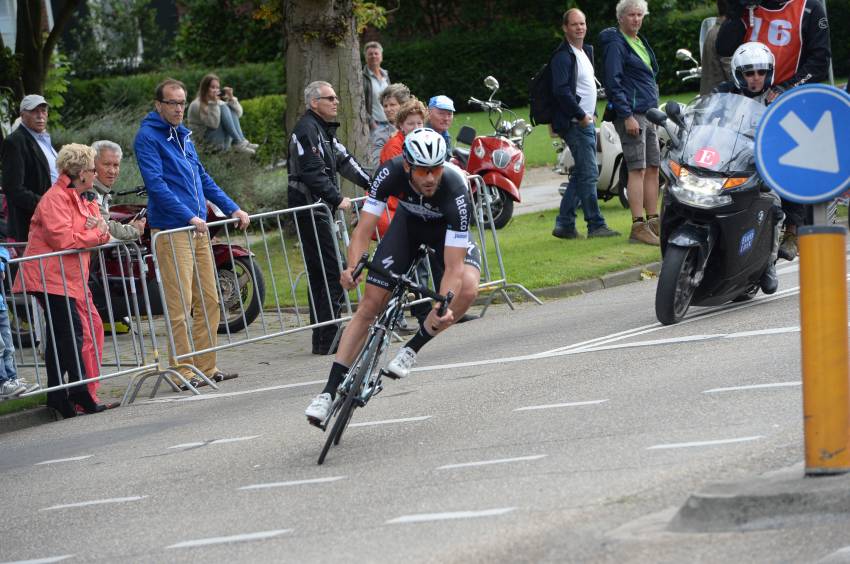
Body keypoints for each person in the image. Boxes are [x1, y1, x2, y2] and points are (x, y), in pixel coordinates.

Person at [305, 128, 481, 426]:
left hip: (444, 234)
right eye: (422, 170)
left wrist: (443, 305)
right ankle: (328, 392)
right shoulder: (389, 173)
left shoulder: (455, 191)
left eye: (435, 169)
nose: (429, 178)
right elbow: (363, 231)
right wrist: (351, 268)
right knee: (369, 306)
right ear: (408, 165)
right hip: (408, 228)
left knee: (467, 290)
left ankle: (412, 348)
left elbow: (452, 267)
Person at [134, 78, 250, 389]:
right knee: (180, 305)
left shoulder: (183, 135)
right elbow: (156, 185)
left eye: (182, 103)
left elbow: (203, 178)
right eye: (172, 103)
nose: (178, 109)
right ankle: (183, 372)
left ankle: (206, 367)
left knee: (210, 299)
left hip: (197, 229)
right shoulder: (148, 137)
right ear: (159, 105)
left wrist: (233, 208)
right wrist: (187, 215)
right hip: (173, 230)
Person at [716, 0, 831, 260]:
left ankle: (792, 228)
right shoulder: (748, 8)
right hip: (746, 92)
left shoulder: (809, 8)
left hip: (788, 98)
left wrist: (786, 89)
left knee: (789, 157)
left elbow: (820, 60)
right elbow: (722, 47)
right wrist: (735, 12)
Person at [13, 143, 111, 418]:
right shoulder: (55, 199)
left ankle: (57, 395)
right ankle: (78, 392)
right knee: (71, 333)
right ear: (80, 172)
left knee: (60, 335)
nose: (96, 174)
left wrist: (96, 230)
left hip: (66, 276)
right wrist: (94, 233)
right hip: (49, 276)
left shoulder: (82, 197)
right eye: (93, 169)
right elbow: (65, 239)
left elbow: (101, 226)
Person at [288, 81, 371, 355]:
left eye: (336, 97)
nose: (336, 102)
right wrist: (337, 198)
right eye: (330, 98)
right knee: (331, 269)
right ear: (314, 102)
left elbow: (345, 160)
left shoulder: (323, 131)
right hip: (311, 210)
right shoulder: (306, 130)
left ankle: (324, 335)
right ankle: (328, 335)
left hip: (320, 210)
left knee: (322, 271)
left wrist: (371, 184)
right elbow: (312, 173)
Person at [715, 41, 784, 292]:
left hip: (759, 169)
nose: (755, 78)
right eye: (749, 73)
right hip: (723, 164)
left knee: (773, 205)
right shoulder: (723, 93)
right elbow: (702, 121)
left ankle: (768, 262)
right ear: (738, 73)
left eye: (761, 72)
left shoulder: (778, 98)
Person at [551, 8, 620, 240]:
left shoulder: (584, 52)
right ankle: (595, 224)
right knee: (589, 173)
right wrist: (581, 115)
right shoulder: (563, 56)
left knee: (583, 173)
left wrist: (590, 113)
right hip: (575, 123)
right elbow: (560, 91)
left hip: (585, 121)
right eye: (574, 24)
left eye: (582, 23)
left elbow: (584, 87)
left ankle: (565, 223)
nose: (579, 27)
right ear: (565, 28)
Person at [599, 0, 661, 246]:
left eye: (639, 15)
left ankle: (653, 220)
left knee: (653, 167)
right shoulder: (616, 43)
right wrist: (627, 115)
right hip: (633, 114)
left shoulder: (638, 40)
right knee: (637, 169)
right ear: (621, 18)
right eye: (631, 15)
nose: (636, 19)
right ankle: (638, 225)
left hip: (649, 113)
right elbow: (613, 83)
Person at [0, 95, 56, 242]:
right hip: (30, 226)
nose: (40, 116)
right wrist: (46, 205)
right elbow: (13, 188)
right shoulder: (15, 141)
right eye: (34, 111)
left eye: (43, 111)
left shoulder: (44, 139)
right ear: (22, 115)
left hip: (53, 220)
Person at [375, 97, 428, 238]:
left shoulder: (425, 141)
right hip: (393, 205)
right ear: (401, 125)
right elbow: (401, 180)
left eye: (419, 123)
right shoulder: (394, 146)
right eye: (410, 124)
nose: (416, 128)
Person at [187, 74, 257, 155]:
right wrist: (214, 103)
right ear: (205, 88)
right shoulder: (197, 104)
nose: (216, 90)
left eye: (217, 88)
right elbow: (213, 125)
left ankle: (240, 141)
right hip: (203, 143)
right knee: (223, 107)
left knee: (229, 107)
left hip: (218, 139)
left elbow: (238, 114)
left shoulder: (217, 102)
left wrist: (231, 98)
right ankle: (238, 142)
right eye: (212, 87)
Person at [92, 140, 146, 241]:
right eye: (106, 164)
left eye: (116, 165)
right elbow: (105, 227)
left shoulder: (102, 192)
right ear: (93, 164)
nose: (112, 171)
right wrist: (133, 230)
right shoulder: (89, 192)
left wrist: (128, 228)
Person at [0, 246, 24, 398]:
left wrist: (1, 263)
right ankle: (3, 382)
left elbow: (3, 250)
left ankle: (12, 379)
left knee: (8, 347)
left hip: (0, 306)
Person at [363, 41, 391, 169]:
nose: (373, 56)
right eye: (370, 54)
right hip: (375, 125)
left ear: (381, 56)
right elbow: (361, 103)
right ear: (365, 56)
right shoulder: (362, 77)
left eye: (376, 53)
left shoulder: (385, 75)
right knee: (377, 159)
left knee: (390, 155)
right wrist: (371, 122)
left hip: (390, 123)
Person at [369, 83, 411, 167]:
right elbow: (377, 166)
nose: (388, 109)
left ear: (403, 105)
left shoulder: (415, 126)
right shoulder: (380, 134)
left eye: (392, 105)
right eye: (385, 106)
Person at [700, 1, 733, 95]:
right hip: (720, 100)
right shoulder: (725, 33)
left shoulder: (712, 30)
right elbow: (731, 71)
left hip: (710, 97)